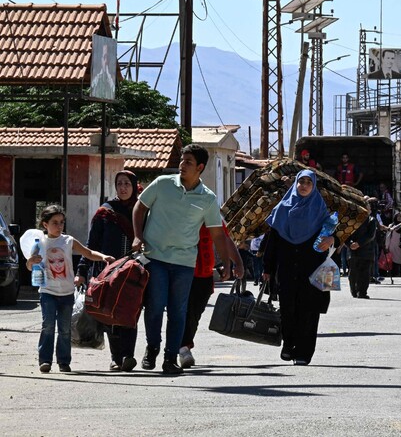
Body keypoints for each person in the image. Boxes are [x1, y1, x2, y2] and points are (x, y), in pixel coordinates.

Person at [132, 144, 243, 375]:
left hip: (184, 262)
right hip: (156, 257)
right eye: (182, 161)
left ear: (200, 167)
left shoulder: (208, 198)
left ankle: (170, 357)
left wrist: (227, 262)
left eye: (188, 162)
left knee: (178, 311)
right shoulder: (162, 184)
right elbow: (139, 208)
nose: (182, 165)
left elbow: (217, 233)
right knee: (154, 306)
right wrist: (138, 236)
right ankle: (152, 347)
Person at [27, 205, 114, 373]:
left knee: (65, 329)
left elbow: (88, 253)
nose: (59, 226)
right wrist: (31, 261)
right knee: (48, 326)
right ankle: (45, 360)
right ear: (45, 225)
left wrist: (103, 257)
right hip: (47, 293)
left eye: (61, 222)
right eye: (55, 223)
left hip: (67, 293)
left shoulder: (68, 241)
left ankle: (63, 361)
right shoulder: (39, 243)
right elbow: (30, 266)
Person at [262, 170, 338, 365]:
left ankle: (304, 352)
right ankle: (289, 344)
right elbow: (272, 242)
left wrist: (332, 238)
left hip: (313, 269)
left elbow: (336, 235)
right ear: (295, 184)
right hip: (286, 269)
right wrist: (267, 269)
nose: (303, 186)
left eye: (308, 183)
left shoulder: (321, 211)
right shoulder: (282, 210)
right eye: (300, 182)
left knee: (309, 311)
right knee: (288, 309)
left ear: (313, 187)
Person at [77, 171, 140, 372]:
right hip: (108, 273)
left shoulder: (141, 211)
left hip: (133, 273)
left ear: (134, 186)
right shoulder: (105, 212)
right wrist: (82, 271)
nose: (123, 188)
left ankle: (129, 355)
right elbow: (91, 244)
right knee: (111, 315)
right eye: (119, 183)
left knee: (130, 313)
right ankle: (116, 358)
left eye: (127, 184)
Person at [179, 222, 242, 369]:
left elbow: (224, 238)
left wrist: (237, 262)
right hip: (180, 270)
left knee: (195, 313)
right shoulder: (178, 206)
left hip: (204, 273)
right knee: (181, 311)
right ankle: (180, 348)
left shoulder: (211, 211)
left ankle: (184, 346)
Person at [346, 197, 377, 299]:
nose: (368, 209)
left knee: (364, 273)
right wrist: (350, 244)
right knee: (353, 272)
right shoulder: (352, 219)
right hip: (353, 251)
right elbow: (346, 234)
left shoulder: (371, 220)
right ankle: (354, 291)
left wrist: (359, 244)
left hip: (366, 251)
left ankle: (362, 292)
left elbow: (370, 235)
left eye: (368, 207)